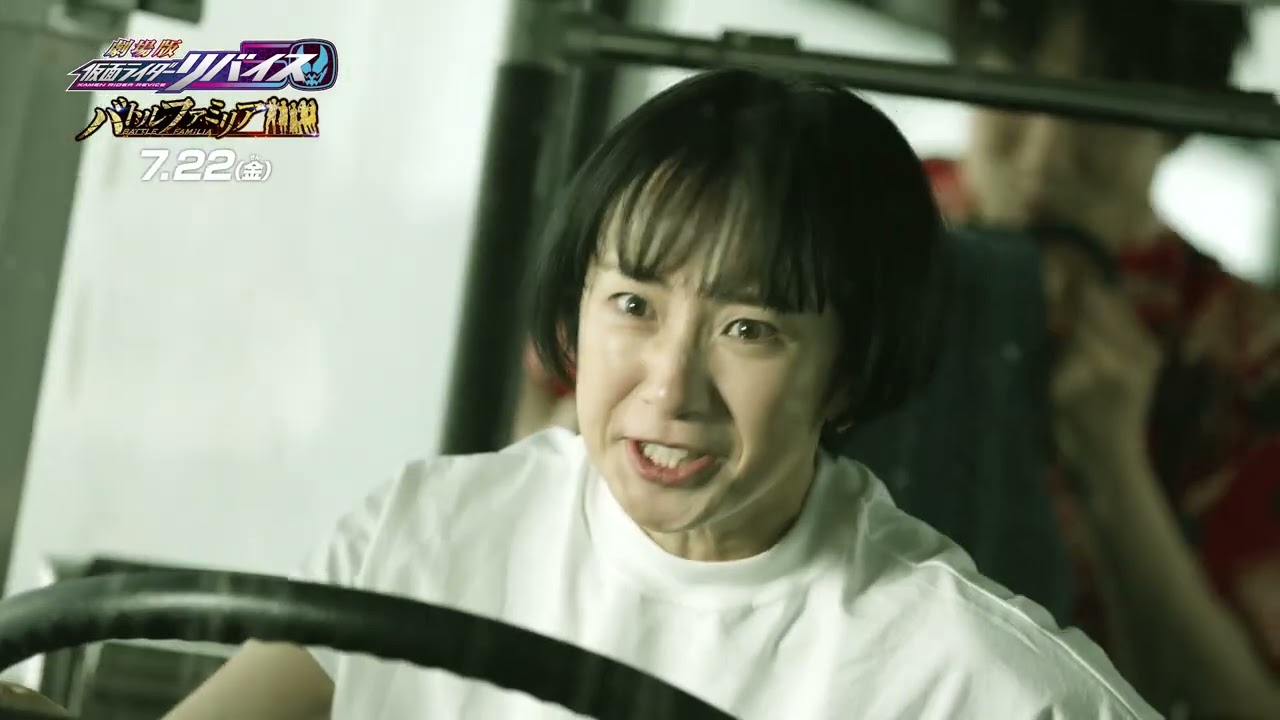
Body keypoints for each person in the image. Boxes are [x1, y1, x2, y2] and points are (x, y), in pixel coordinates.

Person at [159, 69, 1159, 719]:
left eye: (749, 329)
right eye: (633, 305)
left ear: (847, 371)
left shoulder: (963, 678)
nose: (669, 385)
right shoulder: (431, 532)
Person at [905, 0, 1279, 716]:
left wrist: (1114, 469)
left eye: (1104, 100)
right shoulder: (865, 223)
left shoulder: (1246, 353)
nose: (1045, 159)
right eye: (1017, 77)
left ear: (1176, 124)